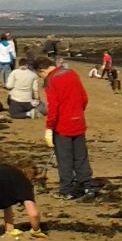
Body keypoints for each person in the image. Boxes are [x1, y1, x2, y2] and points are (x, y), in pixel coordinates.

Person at [37, 56, 96, 199]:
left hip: (62, 125)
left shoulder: (51, 80)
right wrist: (77, 112)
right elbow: (84, 98)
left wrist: (49, 127)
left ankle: (66, 190)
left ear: (42, 70)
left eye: (40, 75)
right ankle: (87, 186)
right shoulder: (71, 73)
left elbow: (54, 107)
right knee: (81, 157)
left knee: (65, 159)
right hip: (78, 121)